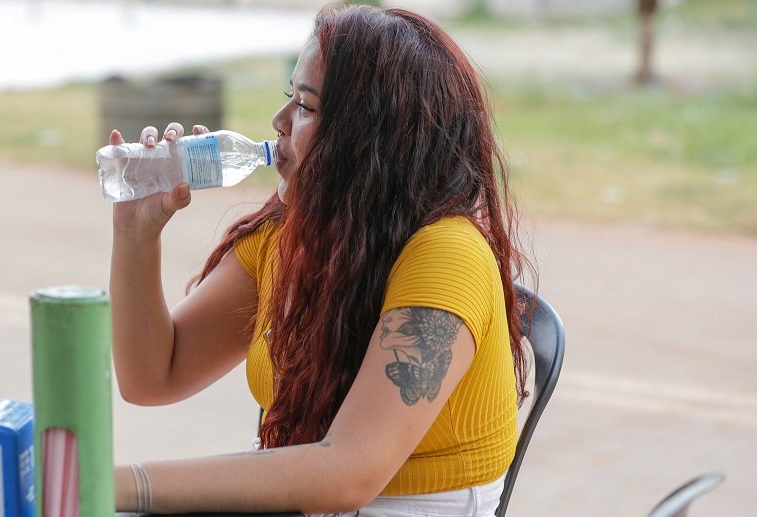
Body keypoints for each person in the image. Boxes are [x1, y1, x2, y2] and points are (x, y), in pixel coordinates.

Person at [106, 4, 532, 515]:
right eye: (290, 97)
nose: (278, 121)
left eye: (306, 107)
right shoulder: (290, 236)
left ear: (369, 137)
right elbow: (154, 376)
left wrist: (119, 486)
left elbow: (348, 471)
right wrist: (135, 232)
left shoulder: (448, 255)